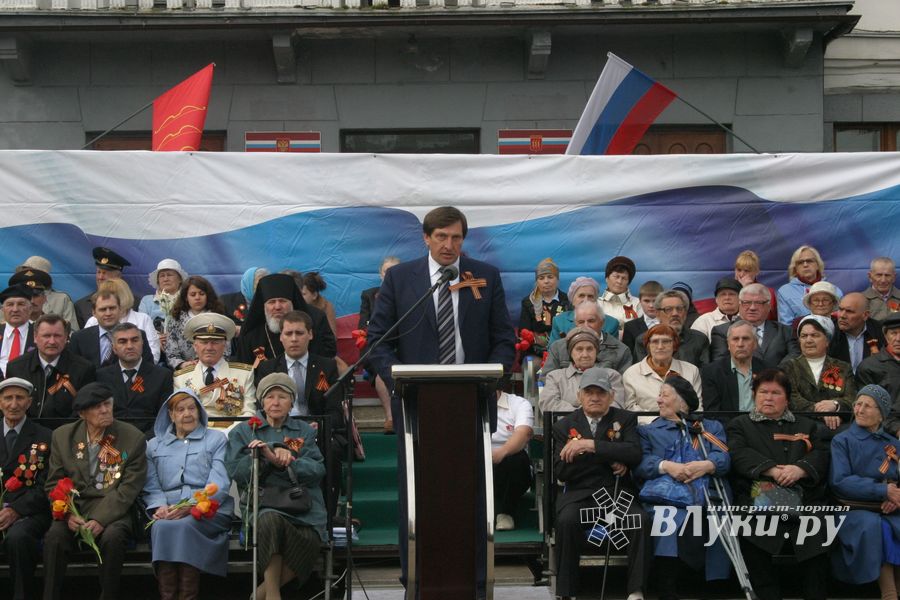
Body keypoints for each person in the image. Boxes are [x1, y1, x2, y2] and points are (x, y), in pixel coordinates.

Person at [365, 206, 516, 588]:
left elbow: (503, 337)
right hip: (417, 405)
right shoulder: (401, 279)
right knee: (418, 495)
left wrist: (494, 377)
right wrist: (397, 380)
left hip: (472, 403)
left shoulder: (485, 275)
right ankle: (416, 579)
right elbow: (379, 340)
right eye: (442, 237)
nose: (449, 245)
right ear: (426, 238)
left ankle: (476, 581)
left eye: (456, 237)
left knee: (473, 495)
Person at [726, 368, 831, 600]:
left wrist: (799, 469)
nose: (768, 398)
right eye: (763, 392)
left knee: (817, 536)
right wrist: (771, 470)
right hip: (757, 500)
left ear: (787, 398)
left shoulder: (807, 425)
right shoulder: (740, 424)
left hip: (803, 498)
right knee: (754, 537)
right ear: (754, 395)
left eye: (775, 393)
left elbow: (821, 455)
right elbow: (738, 453)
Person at [226, 373, 328, 600]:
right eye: (270, 397)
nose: (275, 402)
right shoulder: (244, 431)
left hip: (303, 507)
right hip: (263, 503)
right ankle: (273, 595)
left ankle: (259, 594)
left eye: (282, 397)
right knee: (270, 521)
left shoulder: (304, 431)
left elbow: (317, 470)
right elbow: (237, 472)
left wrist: (289, 461)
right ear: (261, 402)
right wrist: (264, 457)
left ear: (292, 402)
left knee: (310, 538)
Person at [42, 382, 147, 600]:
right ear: (82, 413)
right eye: (97, 407)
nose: (105, 410)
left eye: (108, 404)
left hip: (113, 510)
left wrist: (100, 519)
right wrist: (68, 515)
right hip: (75, 509)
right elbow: (53, 484)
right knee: (54, 537)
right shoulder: (62, 436)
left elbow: (128, 489)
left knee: (113, 537)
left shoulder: (133, 438)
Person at [552, 367, 649, 600]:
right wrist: (611, 457)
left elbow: (634, 454)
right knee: (566, 521)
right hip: (580, 494)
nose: (595, 397)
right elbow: (561, 471)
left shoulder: (624, 419)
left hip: (617, 494)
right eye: (589, 392)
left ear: (611, 396)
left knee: (641, 521)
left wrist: (589, 446)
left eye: (601, 393)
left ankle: (636, 589)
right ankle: (567, 591)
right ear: (579, 396)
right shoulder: (564, 426)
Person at [636, 375, 730, 600]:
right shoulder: (649, 431)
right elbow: (641, 463)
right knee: (665, 516)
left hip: (708, 491)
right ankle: (666, 586)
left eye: (664, 395)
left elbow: (724, 458)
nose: (658, 400)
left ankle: (714, 586)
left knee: (719, 514)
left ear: (683, 403)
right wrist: (666, 466)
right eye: (659, 395)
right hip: (667, 494)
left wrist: (707, 465)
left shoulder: (709, 427)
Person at [143, 388, 233, 600]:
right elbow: (151, 486)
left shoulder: (217, 440)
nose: (187, 414)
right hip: (168, 510)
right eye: (180, 410)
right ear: (171, 415)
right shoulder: (153, 446)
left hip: (209, 510)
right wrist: (160, 507)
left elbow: (219, 483)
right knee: (162, 526)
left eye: (192, 408)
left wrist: (193, 505)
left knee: (185, 525)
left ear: (200, 411)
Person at [254, 310, 344, 515]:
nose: (294, 339)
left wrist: (318, 425)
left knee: (333, 450)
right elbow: (260, 408)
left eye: (299, 333)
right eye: (288, 333)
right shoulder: (268, 367)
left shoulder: (327, 366)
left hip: (315, 431)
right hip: (277, 430)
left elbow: (335, 412)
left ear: (310, 335)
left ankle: (328, 515)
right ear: (281, 337)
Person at [829, 384, 900, 600]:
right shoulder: (842, 441)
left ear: (881, 414)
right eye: (858, 404)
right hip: (854, 508)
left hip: (890, 507)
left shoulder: (894, 444)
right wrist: (882, 490)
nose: (859, 410)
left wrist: (896, 498)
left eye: (868, 406)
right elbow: (840, 481)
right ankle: (889, 594)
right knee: (877, 527)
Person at [0, 377, 52, 600]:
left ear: (29, 402)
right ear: (0, 402)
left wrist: (16, 510)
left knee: (18, 538)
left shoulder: (45, 436)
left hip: (29, 512)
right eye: (8, 398)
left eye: (19, 398)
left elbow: (47, 485)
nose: (14, 404)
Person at [173, 313, 256, 427]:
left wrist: (229, 434)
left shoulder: (244, 374)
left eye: (215, 342)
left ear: (225, 346)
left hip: (231, 436)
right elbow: (179, 414)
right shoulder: (181, 378)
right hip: (194, 435)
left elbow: (249, 412)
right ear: (195, 346)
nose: (209, 348)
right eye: (204, 342)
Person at [6, 314, 95, 421]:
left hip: (65, 433)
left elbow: (83, 410)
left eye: (57, 336)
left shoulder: (84, 369)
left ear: (66, 337)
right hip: (26, 433)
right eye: (46, 336)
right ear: (35, 337)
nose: (52, 341)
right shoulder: (16, 367)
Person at [235, 273, 336, 365]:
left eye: (282, 301)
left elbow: (327, 356)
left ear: (292, 303)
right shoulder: (251, 335)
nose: (277, 307)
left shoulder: (316, 321)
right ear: (264, 306)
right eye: (272, 302)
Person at [96, 323, 174, 435]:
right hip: (111, 442)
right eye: (122, 342)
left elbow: (164, 418)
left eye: (135, 340)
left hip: (150, 442)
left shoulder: (162, 376)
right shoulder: (101, 376)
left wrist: (143, 441)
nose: (129, 346)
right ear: (114, 348)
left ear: (142, 343)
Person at [782, 315, 855, 431]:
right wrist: (820, 410)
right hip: (799, 427)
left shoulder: (843, 367)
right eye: (804, 336)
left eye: (815, 335)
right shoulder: (788, 367)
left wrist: (835, 405)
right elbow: (791, 398)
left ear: (827, 341)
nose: (809, 340)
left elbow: (852, 398)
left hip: (837, 428)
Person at [623, 324, 702, 425]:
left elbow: (697, 407)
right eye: (655, 342)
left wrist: (680, 422)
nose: (660, 346)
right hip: (646, 430)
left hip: (684, 427)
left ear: (675, 345)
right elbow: (630, 409)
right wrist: (658, 422)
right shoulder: (631, 374)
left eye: (666, 341)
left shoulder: (691, 370)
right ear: (648, 345)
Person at [358, 256, 401, 433]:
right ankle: (391, 418)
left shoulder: (410, 293)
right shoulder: (369, 295)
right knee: (382, 371)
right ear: (380, 274)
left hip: (403, 346)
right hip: (378, 346)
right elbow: (364, 326)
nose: (390, 275)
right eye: (386, 271)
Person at [710, 283, 799, 368]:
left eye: (758, 303)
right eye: (746, 302)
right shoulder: (722, 331)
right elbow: (720, 363)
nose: (752, 308)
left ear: (768, 307)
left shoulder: (784, 331)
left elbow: (795, 357)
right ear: (739, 305)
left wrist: (772, 376)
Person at [68, 284, 154, 369]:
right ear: (94, 312)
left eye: (112, 308)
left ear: (120, 309)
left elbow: (148, 370)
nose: (108, 313)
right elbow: (73, 370)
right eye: (103, 309)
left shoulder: (138, 335)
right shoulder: (79, 338)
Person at [540, 327, 625, 412]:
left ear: (596, 351)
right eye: (579, 349)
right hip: (567, 424)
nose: (585, 354)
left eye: (590, 349)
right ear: (571, 352)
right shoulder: (555, 377)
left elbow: (616, 405)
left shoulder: (611, 376)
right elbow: (548, 404)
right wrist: (581, 416)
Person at [540, 302, 632, 376]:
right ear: (575, 323)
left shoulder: (621, 351)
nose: (586, 326)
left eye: (591, 321)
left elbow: (622, 387)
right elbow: (546, 378)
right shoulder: (558, 347)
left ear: (602, 322)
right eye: (581, 322)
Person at [83, 278, 161, 364]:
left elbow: (154, 355)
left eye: (112, 295)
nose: (107, 298)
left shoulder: (143, 319)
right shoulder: (93, 321)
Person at [701, 320, 765, 420]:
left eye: (746, 338)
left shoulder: (767, 371)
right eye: (735, 339)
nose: (740, 344)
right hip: (727, 430)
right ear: (728, 345)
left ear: (755, 344)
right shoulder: (711, 372)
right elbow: (712, 414)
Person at [492, 383, 533, 532]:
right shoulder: (467, 402)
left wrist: (501, 453)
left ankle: (505, 513)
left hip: (508, 461)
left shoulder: (519, 403)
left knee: (517, 457)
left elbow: (523, 434)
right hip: (476, 457)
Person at [164, 275, 229, 370]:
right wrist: (182, 364)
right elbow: (171, 352)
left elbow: (226, 348)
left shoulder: (218, 317)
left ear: (208, 295)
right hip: (185, 371)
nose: (197, 297)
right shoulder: (176, 319)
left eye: (201, 293)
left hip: (216, 369)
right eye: (193, 294)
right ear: (186, 297)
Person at [633, 289, 709, 368]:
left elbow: (704, 373)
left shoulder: (700, 339)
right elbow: (641, 373)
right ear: (657, 314)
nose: (675, 314)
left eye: (679, 309)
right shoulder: (644, 340)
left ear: (685, 313)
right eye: (668, 309)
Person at [776, 245, 844, 326]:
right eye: (800, 262)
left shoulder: (835, 290)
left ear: (818, 265)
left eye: (809, 261)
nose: (805, 265)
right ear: (795, 268)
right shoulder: (785, 291)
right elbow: (785, 327)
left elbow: (840, 321)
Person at [518, 258, 571, 356]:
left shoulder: (567, 301)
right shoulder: (528, 302)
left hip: (563, 351)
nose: (546, 281)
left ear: (557, 279)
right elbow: (524, 331)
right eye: (541, 278)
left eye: (550, 277)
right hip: (536, 351)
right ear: (537, 281)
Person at [138, 258, 188, 356]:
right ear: (158, 281)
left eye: (169, 275)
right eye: (162, 276)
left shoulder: (187, 300)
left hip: (182, 352)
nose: (165, 279)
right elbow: (141, 326)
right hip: (152, 349)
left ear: (180, 279)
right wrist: (157, 339)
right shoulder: (146, 301)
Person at [548, 276, 620, 345]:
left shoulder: (611, 324)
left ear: (596, 300)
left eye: (590, 296)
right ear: (572, 300)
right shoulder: (559, 321)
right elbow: (553, 351)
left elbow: (613, 353)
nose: (586, 300)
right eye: (581, 296)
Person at [73, 247, 132, 329]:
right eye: (98, 272)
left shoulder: (134, 304)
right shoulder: (82, 305)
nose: (100, 277)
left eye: (105, 273)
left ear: (118, 276)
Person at [862, 313, 900, 436]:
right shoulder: (869, 367)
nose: (898, 338)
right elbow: (866, 409)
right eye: (893, 333)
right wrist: (896, 429)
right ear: (886, 336)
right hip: (884, 433)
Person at [16, 256, 78, 331]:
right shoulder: (13, 297)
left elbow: (72, 331)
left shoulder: (62, 299)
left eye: (33, 272)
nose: (29, 275)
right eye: (25, 271)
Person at [829, 291, 885, 373]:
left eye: (849, 311)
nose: (842, 316)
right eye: (840, 309)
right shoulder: (829, 331)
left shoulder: (881, 332)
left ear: (865, 315)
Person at [598, 255, 642, 335]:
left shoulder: (638, 304)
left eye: (624, 278)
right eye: (616, 276)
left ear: (628, 282)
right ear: (607, 278)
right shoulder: (595, 304)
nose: (619, 281)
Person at [0, 284, 36, 376]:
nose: (15, 309)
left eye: (21, 304)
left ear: (30, 309)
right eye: (10, 305)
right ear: (2, 309)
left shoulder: (39, 333)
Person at [623, 280, 663, 358]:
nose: (651, 305)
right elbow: (628, 357)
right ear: (640, 301)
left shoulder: (669, 324)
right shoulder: (630, 326)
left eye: (655, 301)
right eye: (646, 301)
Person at [733, 250, 777, 321]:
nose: (741, 275)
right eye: (739, 270)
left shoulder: (768, 292)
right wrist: (740, 290)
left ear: (756, 272)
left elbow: (768, 318)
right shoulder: (728, 292)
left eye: (746, 271)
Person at [300, 272, 338, 338]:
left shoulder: (327, 307)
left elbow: (332, 337)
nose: (299, 297)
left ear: (314, 295)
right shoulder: (298, 307)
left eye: (303, 294)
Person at [863, 257, 900, 321]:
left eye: (887, 275)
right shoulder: (860, 300)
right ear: (870, 276)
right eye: (879, 275)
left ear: (894, 277)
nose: (883, 280)